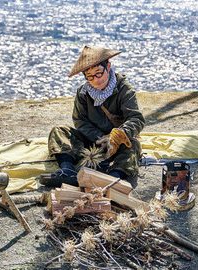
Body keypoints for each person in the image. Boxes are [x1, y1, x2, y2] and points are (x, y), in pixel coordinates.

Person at [40, 46, 145, 187]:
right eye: (90, 77)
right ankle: (68, 171)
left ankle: (113, 178)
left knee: (134, 145)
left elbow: (136, 119)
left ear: (108, 66)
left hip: (118, 143)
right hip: (94, 141)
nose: (96, 80)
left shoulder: (124, 89)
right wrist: (100, 138)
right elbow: (80, 121)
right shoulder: (83, 93)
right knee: (59, 131)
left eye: (99, 73)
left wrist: (118, 135)